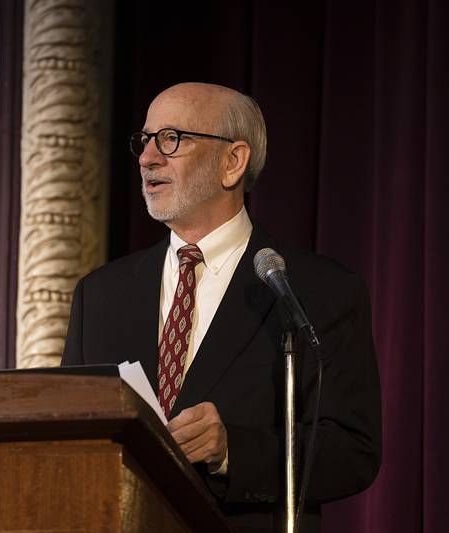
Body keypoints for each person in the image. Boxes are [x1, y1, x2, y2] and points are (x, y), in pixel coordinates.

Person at [61, 82, 381, 532]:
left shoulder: (316, 290)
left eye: (171, 139)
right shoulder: (99, 294)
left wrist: (232, 450)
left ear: (233, 161)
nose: (148, 158)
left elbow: (353, 452)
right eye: (145, 140)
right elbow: (72, 435)